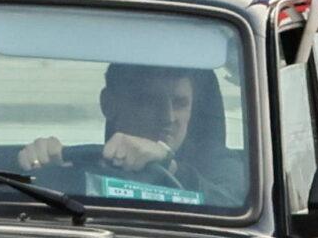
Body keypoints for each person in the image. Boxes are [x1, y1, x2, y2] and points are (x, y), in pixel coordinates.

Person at [19, 63, 237, 203]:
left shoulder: (217, 164)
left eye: (180, 103)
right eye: (150, 102)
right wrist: (42, 166)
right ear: (108, 104)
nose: (168, 117)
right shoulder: (76, 166)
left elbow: (233, 204)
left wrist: (170, 166)